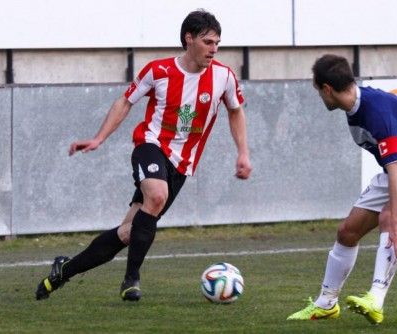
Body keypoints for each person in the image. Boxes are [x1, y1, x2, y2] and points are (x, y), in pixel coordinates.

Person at [35, 9, 252, 302]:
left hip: (182, 164)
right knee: (157, 195)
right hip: (151, 145)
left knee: (128, 233)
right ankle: (131, 279)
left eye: (217, 43)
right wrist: (100, 138)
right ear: (189, 39)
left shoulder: (223, 77)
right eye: (207, 42)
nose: (214, 49)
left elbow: (236, 112)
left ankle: (63, 271)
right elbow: (125, 102)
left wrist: (243, 153)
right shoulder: (158, 71)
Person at [287, 54, 397, 324]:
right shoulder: (354, 106)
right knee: (347, 231)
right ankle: (326, 303)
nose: (320, 96)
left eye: (319, 91)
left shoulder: (377, 113)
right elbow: (395, 166)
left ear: (327, 89)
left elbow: (396, 170)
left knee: (391, 217)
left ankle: (376, 299)